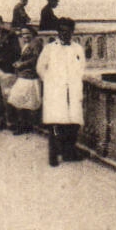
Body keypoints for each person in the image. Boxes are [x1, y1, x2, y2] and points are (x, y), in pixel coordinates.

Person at [36, 18, 86, 165]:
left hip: (73, 91)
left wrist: (75, 84)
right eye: (62, 31)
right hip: (56, 92)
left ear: (72, 32)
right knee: (55, 124)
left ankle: (69, 153)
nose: (65, 34)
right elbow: (40, 68)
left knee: (73, 124)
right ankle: (53, 156)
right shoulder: (50, 48)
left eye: (68, 31)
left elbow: (81, 67)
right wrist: (51, 83)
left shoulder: (77, 49)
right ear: (58, 32)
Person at [6, 25, 44, 134]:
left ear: (32, 34)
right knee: (22, 100)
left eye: (27, 33)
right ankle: (25, 124)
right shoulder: (27, 44)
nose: (25, 36)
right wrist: (18, 62)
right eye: (23, 34)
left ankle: (24, 125)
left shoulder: (36, 43)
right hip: (24, 76)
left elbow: (36, 59)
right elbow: (25, 57)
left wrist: (21, 65)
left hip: (30, 76)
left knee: (20, 99)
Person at [0, 17, 20, 131]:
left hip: (6, 69)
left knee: (8, 96)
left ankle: (11, 122)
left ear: (2, 23)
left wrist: (3, 62)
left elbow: (16, 52)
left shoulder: (11, 35)